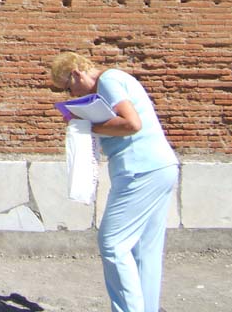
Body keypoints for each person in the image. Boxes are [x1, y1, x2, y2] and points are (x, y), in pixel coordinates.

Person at [50, 51, 179, 312]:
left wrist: (87, 124)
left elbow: (131, 124)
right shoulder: (116, 80)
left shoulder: (108, 80)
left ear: (76, 73)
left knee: (113, 243)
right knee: (144, 250)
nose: (72, 95)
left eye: (68, 88)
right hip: (161, 166)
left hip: (140, 170)